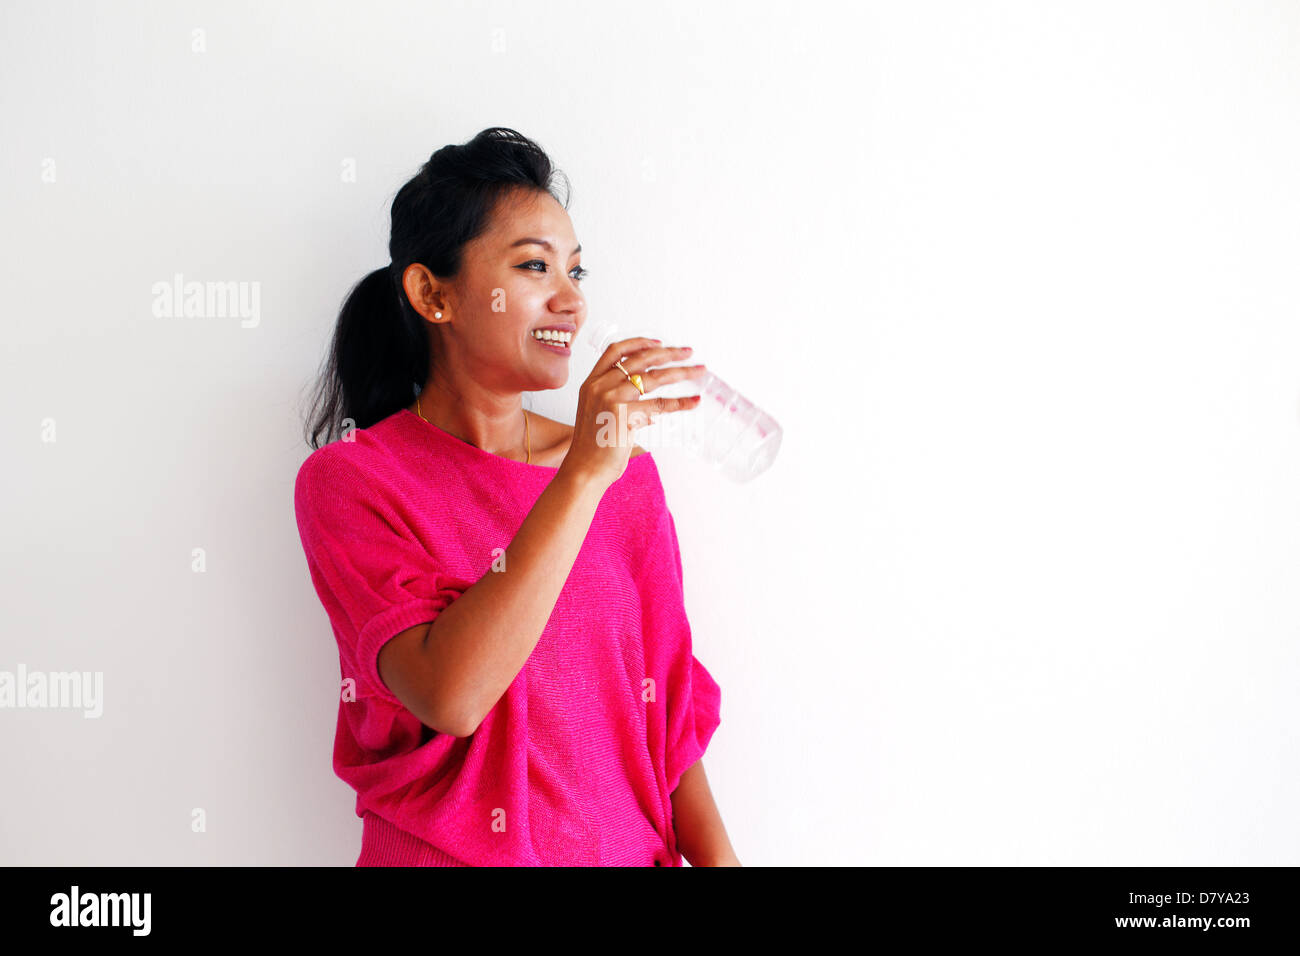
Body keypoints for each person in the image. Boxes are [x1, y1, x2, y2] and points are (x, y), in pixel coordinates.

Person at [294, 127, 739, 866]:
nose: (571, 300)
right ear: (432, 294)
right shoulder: (354, 482)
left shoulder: (623, 477)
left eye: (577, 271)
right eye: (535, 266)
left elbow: (669, 718)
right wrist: (582, 477)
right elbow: (451, 694)